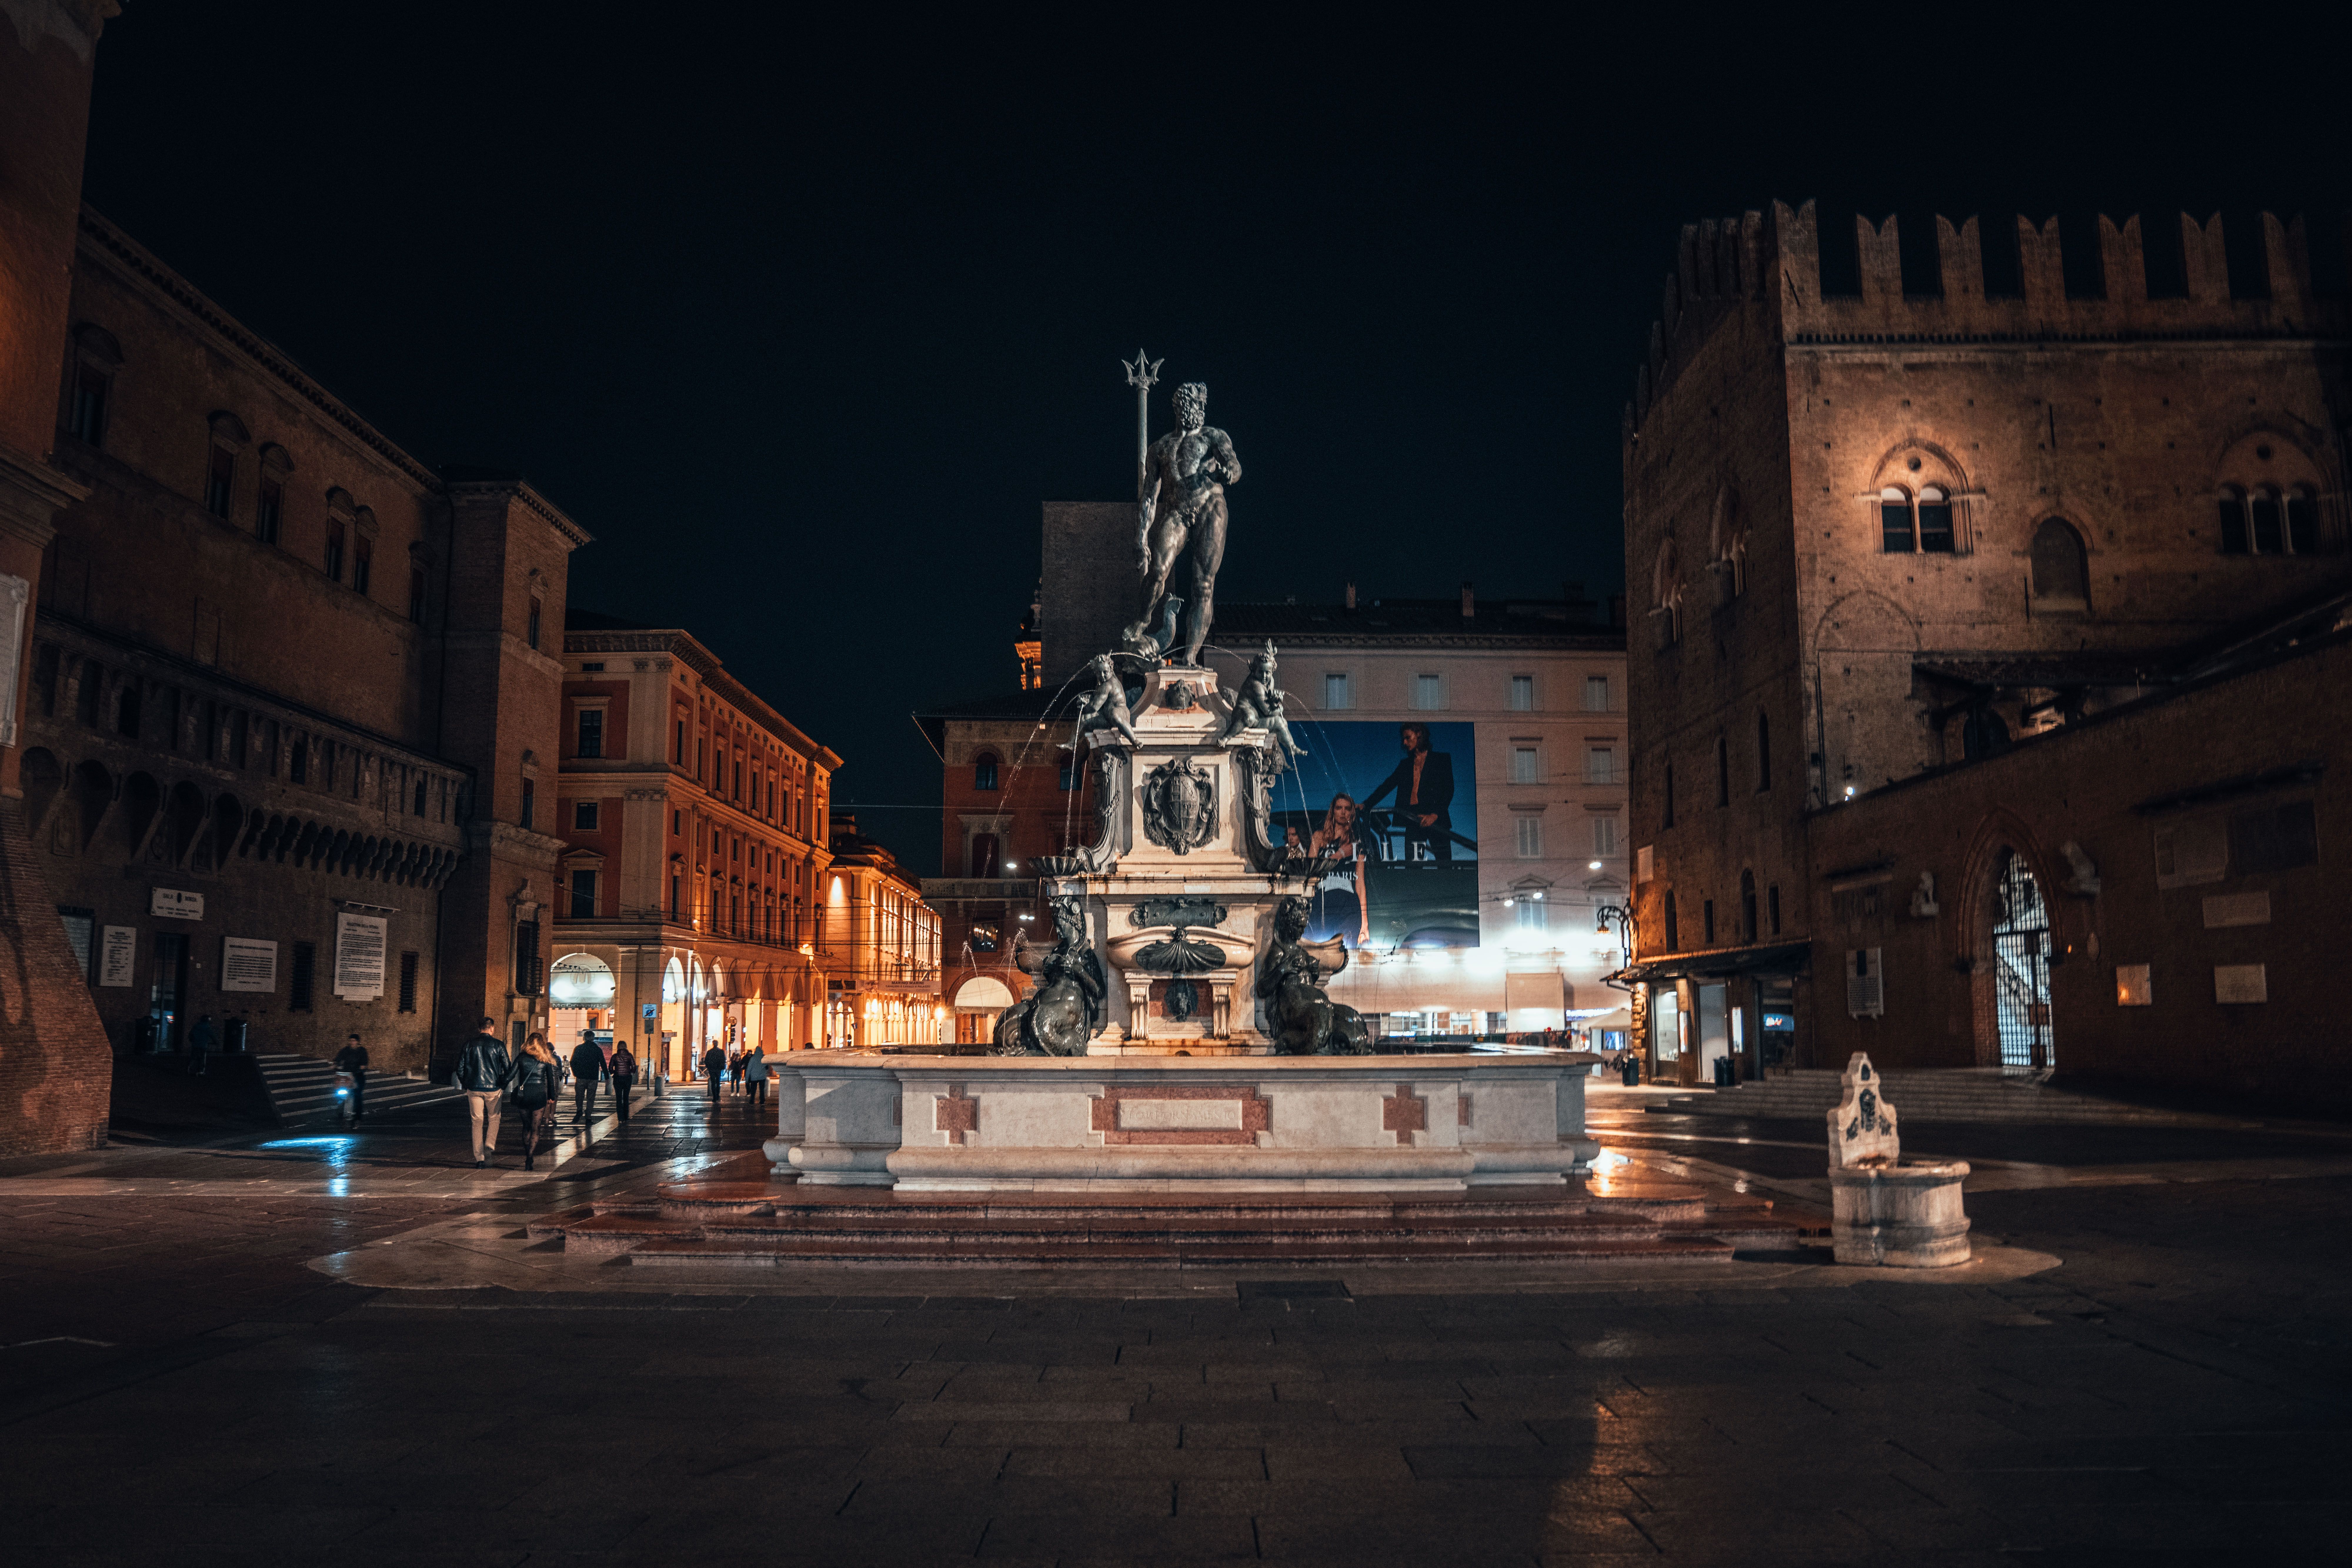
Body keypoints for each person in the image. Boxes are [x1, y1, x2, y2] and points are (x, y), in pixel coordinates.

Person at [1361, 722, 1458, 863]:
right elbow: (1387, 786)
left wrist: (1435, 815)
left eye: (1408, 738)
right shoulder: (1405, 765)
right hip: (1412, 817)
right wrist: (1366, 805)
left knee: (1445, 865)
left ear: (1419, 735)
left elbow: (1449, 790)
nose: (1405, 743)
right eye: (1403, 739)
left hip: (1436, 818)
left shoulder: (1441, 759)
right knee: (1412, 867)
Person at [452, 1016, 513, 1168]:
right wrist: (503, 1084)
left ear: (480, 1029)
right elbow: (508, 1068)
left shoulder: (469, 1045)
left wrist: (466, 1083)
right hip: (494, 1089)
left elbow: (460, 1067)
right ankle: (490, 1143)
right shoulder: (499, 1045)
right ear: (492, 1029)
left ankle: (479, 1158)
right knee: (495, 1118)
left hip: (474, 1088)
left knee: (477, 1122)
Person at [510, 1034, 562, 1173]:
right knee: (536, 1128)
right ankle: (530, 1158)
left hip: (524, 1095)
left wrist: (500, 1083)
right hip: (539, 1094)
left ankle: (528, 1153)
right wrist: (551, 1096)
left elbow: (511, 1075)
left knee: (526, 1127)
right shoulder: (545, 1059)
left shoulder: (521, 1057)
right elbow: (551, 1080)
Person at [333, 1033, 370, 1125]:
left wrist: (362, 1067)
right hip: (347, 1075)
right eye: (351, 1041)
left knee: (358, 1096)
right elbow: (339, 1058)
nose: (352, 1043)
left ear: (358, 1042)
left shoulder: (362, 1051)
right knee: (340, 1092)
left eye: (354, 1041)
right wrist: (335, 1064)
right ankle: (341, 1112)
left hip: (358, 1075)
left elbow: (365, 1063)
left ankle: (358, 1117)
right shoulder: (346, 1050)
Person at [569, 1032, 605, 1124]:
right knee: (591, 1098)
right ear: (593, 1038)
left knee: (579, 1096)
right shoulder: (597, 1049)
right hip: (593, 1077)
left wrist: (576, 1073)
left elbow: (573, 1062)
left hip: (581, 1077)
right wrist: (607, 1076)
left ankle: (579, 1110)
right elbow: (603, 1063)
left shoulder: (579, 1048)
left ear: (584, 1038)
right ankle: (588, 1117)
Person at [609, 1040, 638, 1123]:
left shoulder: (615, 1057)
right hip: (627, 1078)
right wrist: (631, 1072)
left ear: (618, 1047)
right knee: (626, 1098)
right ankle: (626, 1117)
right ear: (626, 1047)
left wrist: (614, 1073)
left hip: (618, 1079)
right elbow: (634, 1066)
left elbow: (611, 1068)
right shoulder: (629, 1056)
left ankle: (620, 1119)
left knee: (619, 1099)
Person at [186, 1013, 217, 1077]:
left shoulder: (196, 1026)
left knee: (193, 1058)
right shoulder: (207, 1027)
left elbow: (191, 1035)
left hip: (195, 1045)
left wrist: (192, 1041)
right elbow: (212, 1036)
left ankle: (190, 1069)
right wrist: (216, 1042)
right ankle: (201, 1071)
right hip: (203, 1045)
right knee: (202, 1059)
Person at [743, 1044, 769, 1110]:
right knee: (762, 1090)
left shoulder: (753, 1059)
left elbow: (749, 1069)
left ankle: (752, 1101)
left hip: (754, 1077)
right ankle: (762, 1102)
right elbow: (767, 1067)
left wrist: (747, 1078)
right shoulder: (764, 1058)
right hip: (762, 1077)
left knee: (753, 1090)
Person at [701, 1041, 727, 1105]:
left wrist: (709, 1067)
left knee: (715, 1083)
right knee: (717, 1082)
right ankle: (717, 1096)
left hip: (713, 1069)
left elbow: (706, 1061)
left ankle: (716, 1096)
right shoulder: (721, 1052)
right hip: (717, 1069)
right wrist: (722, 1068)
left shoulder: (710, 1052)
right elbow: (723, 1060)